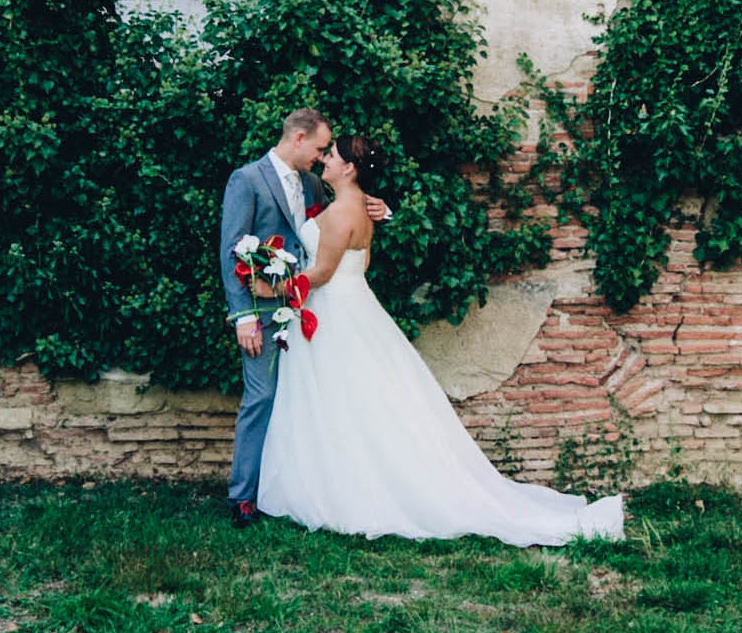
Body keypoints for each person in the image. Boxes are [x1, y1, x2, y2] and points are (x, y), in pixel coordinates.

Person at [258, 133, 626, 546]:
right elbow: (363, 262)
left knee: (342, 400)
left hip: (333, 308)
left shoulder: (345, 210)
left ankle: (346, 491)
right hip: (353, 304)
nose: (325, 159)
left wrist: (271, 288)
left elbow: (323, 273)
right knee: (353, 401)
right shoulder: (363, 207)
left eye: (333, 155)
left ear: (349, 168)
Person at [219, 109, 386, 528]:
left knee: (303, 401)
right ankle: (243, 497)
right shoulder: (248, 180)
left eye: (327, 152)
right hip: (262, 312)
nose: (321, 155)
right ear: (297, 138)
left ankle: (297, 489)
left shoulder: (315, 183)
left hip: (308, 309)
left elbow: (344, 221)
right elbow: (231, 250)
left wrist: (382, 211)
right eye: (318, 148)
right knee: (261, 397)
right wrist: (242, 316)